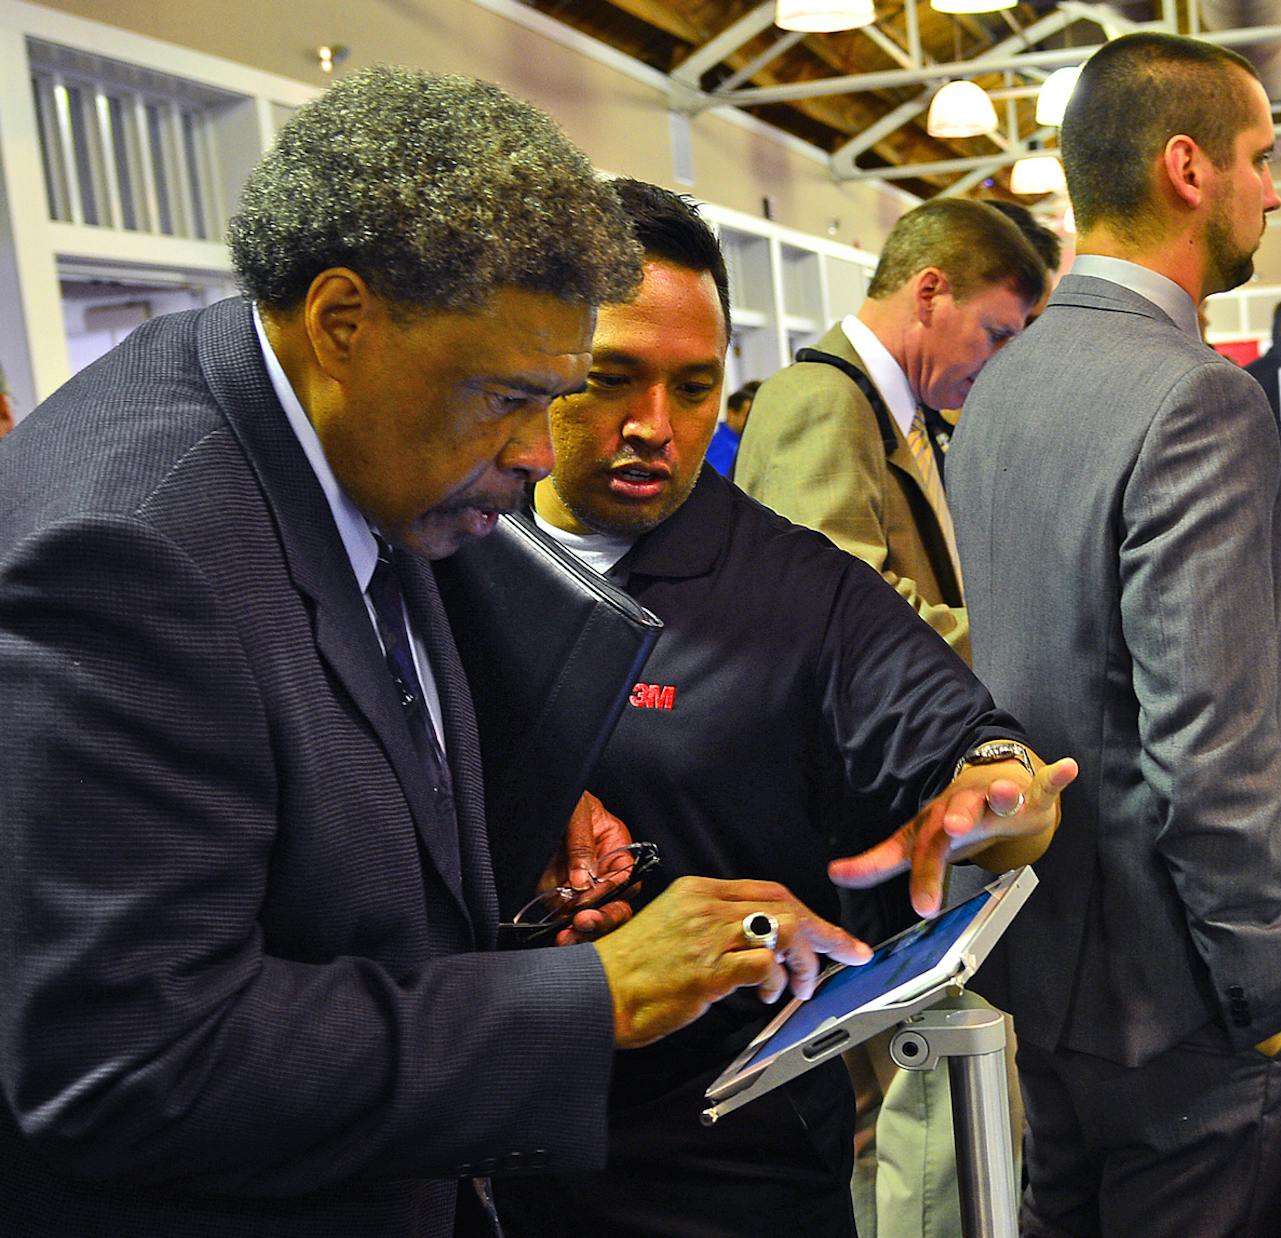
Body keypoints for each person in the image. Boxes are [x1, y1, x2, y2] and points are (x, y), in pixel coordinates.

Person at [0, 67, 890, 1236]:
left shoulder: (348, 439)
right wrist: (591, 997)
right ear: (342, 321)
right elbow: (128, 1058)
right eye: (506, 397)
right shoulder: (134, 551)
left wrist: (515, 799)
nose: (536, 451)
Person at [489, 179, 1074, 1238]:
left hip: (726, 1164)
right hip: (466, 1140)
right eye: (608, 378)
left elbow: (969, 748)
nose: (651, 427)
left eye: (696, 386)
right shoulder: (447, 552)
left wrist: (1001, 793)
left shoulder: (798, 587)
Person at [946, 32, 1281, 1236]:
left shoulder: (1003, 379)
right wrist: (1269, 993)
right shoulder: (1197, 395)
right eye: (1261, 158)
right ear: (1187, 167)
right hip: (1187, 1007)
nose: (1273, 187)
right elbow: (1209, 755)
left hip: (1049, 973)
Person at [733, 199, 1047, 660]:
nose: (1000, 360)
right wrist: (1022, 647)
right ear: (930, 293)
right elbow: (836, 612)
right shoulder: (822, 397)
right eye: (995, 334)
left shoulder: (895, 408)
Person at [706, 379, 758, 474]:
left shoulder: (739, 443)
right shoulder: (722, 447)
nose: (752, 421)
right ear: (731, 414)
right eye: (747, 415)